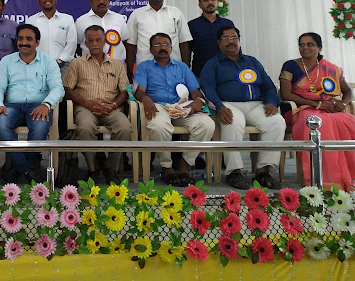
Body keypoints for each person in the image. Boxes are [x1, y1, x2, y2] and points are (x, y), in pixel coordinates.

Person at [200, 26, 285, 189]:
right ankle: (234, 171)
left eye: (234, 38)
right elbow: (207, 88)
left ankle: (263, 171)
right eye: (226, 38)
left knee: (277, 122)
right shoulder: (213, 64)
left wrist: (271, 102)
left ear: (239, 40)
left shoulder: (252, 61)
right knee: (232, 121)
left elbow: (268, 85)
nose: (231, 41)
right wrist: (219, 107)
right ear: (219, 42)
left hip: (256, 104)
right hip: (227, 104)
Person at [134, 33, 214, 186]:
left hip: (182, 107)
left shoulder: (182, 67)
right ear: (151, 50)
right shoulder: (144, 67)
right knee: (159, 126)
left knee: (207, 125)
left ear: (171, 48)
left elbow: (196, 92)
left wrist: (199, 101)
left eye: (166, 44)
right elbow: (139, 91)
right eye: (157, 45)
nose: (162, 48)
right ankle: (167, 167)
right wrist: (145, 98)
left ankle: (184, 163)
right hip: (158, 106)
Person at [280, 32, 355, 190]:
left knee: (349, 121)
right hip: (302, 109)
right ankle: (326, 179)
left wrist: (343, 103)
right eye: (302, 44)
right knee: (319, 122)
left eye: (310, 44)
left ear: (319, 48)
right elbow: (286, 94)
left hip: (330, 109)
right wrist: (317, 104)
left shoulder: (331, 68)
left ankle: (349, 175)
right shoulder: (291, 65)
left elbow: (348, 91)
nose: (305, 48)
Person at [0, 24, 64, 183]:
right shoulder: (7, 61)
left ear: (37, 42)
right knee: (0, 124)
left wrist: (46, 104)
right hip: (12, 106)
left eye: (29, 39)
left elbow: (58, 88)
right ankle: (27, 169)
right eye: (21, 39)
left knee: (40, 128)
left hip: (38, 105)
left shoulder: (48, 61)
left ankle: (18, 169)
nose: (24, 42)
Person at [63, 25, 131, 184]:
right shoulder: (77, 63)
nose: (95, 44)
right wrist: (87, 104)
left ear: (104, 42)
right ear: (85, 43)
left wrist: (113, 106)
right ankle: (93, 167)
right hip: (85, 107)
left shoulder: (117, 65)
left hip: (110, 108)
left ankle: (110, 166)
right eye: (91, 40)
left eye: (98, 40)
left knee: (125, 128)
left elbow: (125, 91)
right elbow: (67, 89)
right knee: (85, 128)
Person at [126, 0, 192, 81]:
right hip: (145, 69)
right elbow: (131, 45)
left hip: (173, 67)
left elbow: (184, 42)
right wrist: (129, 71)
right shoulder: (137, 14)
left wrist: (186, 69)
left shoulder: (175, 12)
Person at [26, 0, 77, 77]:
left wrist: (60, 60)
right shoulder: (31, 21)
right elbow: (29, 44)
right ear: (38, 2)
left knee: (63, 87)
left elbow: (72, 42)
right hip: (38, 66)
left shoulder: (67, 19)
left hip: (63, 66)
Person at [187, 0, 235, 78]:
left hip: (226, 72)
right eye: (206, 0)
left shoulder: (227, 24)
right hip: (201, 73)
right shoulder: (192, 25)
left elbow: (235, 46)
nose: (210, 2)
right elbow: (187, 50)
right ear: (200, 5)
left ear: (217, 2)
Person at [75, 0, 129, 64]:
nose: (101, 1)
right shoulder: (81, 21)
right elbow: (78, 46)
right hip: (90, 66)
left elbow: (125, 42)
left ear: (108, 0)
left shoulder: (119, 18)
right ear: (91, 1)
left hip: (117, 66)